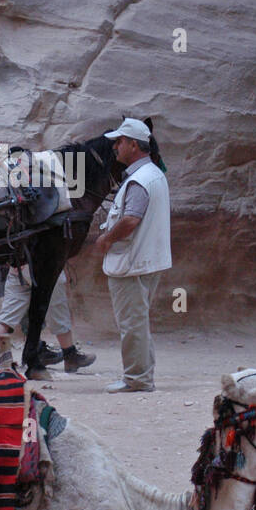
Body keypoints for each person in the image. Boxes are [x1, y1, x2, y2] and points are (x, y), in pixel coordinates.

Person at [94, 117, 171, 393]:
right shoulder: (153, 175)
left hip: (132, 263)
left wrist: (106, 238)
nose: (115, 147)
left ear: (133, 145)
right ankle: (142, 374)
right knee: (138, 321)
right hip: (147, 261)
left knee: (131, 323)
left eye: (120, 141)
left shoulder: (139, 180)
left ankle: (137, 379)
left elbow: (130, 220)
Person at [0, 268, 95, 374]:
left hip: (18, 268)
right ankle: (70, 356)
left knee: (8, 312)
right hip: (46, 267)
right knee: (58, 311)